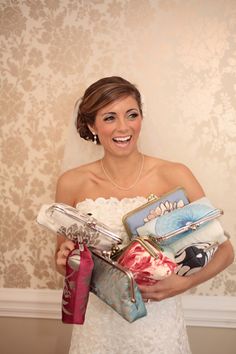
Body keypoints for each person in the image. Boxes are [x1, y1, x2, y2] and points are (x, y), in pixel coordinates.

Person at [55, 76, 234, 354]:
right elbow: (63, 264)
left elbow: (224, 250)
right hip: (99, 327)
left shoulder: (175, 175)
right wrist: (66, 258)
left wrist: (182, 284)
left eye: (132, 115)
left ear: (141, 118)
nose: (123, 127)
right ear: (92, 125)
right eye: (110, 117)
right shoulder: (71, 183)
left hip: (158, 323)